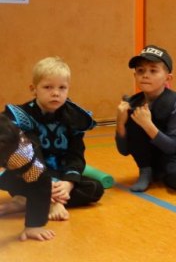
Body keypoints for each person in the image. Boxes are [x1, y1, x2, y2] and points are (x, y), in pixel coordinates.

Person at [4, 57, 103, 221]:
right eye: (48, 87)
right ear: (34, 89)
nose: (56, 93)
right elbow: (31, 155)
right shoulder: (24, 116)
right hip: (31, 174)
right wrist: (46, 184)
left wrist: (68, 183)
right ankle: (46, 201)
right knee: (14, 179)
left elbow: (76, 155)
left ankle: (26, 201)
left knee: (95, 189)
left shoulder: (73, 117)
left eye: (62, 87)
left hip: (61, 173)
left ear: (68, 89)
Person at [115, 45, 176, 192]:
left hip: (175, 154)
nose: (145, 75)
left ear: (168, 78)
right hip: (148, 158)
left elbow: (172, 147)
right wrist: (120, 123)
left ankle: (160, 171)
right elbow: (124, 150)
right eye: (140, 71)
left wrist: (147, 125)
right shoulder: (132, 103)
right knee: (135, 115)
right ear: (135, 76)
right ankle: (146, 171)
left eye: (153, 71)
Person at [0, 113, 55, 241]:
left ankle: (23, 199)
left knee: (36, 182)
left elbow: (40, 185)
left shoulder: (21, 152)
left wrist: (34, 225)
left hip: (37, 163)